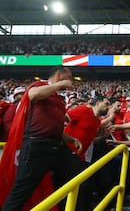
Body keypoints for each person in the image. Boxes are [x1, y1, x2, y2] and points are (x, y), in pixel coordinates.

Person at [0, 66, 90, 211]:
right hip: (37, 146)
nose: (71, 81)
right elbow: (32, 95)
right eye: (70, 77)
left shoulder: (59, 99)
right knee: (21, 193)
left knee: (81, 175)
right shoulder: (40, 85)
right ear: (60, 76)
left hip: (57, 147)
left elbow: (55, 128)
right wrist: (59, 85)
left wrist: (72, 140)